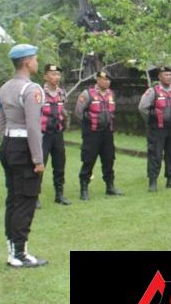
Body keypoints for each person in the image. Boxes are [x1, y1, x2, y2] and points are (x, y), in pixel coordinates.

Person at [0, 44, 47, 267]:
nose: (37, 62)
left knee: (13, 199)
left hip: (8, 144)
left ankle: (12, 248)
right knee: (25, 200)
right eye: (35, 59)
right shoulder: (31, 89)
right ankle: (20, 253)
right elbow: (33, 126)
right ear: (27, 62)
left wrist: (7, 142)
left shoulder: (5, 87)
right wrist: (38, 159)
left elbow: (2, 120)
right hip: (24, 147)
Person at [76, 71, 123, 200]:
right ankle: (84, 188)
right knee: (88, 160)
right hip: (92, 133)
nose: (107, 82)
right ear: (98, 80)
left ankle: (110, 186)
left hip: (107, 133)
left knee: (109, 159)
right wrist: (89, 125)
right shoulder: (87, 94)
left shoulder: (111, 94)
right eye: (104, 79)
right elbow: (79, 113)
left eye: (109, 80)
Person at [139, 66, 171, 192]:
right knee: (155, 154)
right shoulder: (153, 91)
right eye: (166, 74)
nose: (169, 77)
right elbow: (142, 107)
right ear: (159, 77)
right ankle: (153, 181)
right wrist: (151, 119)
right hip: (157, 128)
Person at [41, 64, 70, 206]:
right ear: (45, 76)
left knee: (59, 164)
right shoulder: (39, 93)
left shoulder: (61, 93)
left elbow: (63, 110)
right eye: (52, 74)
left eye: (58, 74)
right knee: (40, 164)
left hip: (57, 134)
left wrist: (65, 123)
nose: (56, 77)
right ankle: (34, 197)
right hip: (43, 134)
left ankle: (59, 194)